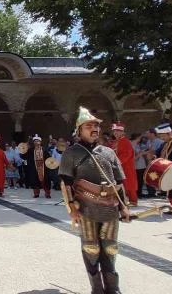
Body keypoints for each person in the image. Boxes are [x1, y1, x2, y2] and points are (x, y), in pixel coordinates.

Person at [59, 107, 130, 294]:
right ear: (79, 130)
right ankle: (96, 288)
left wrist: (124, 207)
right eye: (89, 126)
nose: (95, 129)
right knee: (91, 248)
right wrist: (71, 208)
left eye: (96, 126)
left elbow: (120, 182)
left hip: (110, 207)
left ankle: (113, 288)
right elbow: (66, 183)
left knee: (111, 248)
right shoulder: (71, 153)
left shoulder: (108, 152)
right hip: (85, 207)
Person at [111, 122, 138, 206]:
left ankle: (133, 201)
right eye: (114, 131)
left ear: (122, 132)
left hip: (126, 167)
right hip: (118, 167)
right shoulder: (115, 142)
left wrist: (117, 162)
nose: (116, 133)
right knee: (121, 183)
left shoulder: (125, 142)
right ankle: (123, 200)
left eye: (118, 131)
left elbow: (127, 154)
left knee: (129, 184)